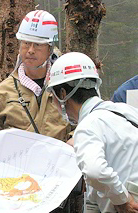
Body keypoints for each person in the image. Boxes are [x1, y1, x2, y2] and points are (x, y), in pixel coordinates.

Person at [0, 10, 74, 212]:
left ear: (50, 47)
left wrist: (74, 140)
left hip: (56, 185)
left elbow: (84, 126)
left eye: (37, 44)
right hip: (16, 187)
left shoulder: (67, 85)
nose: (30, 50)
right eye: (25, 43)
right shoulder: (5, 90)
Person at [46, 51, 138, 213]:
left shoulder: (88, 126)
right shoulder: (126, 111)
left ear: (62, 94)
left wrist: (122, 199)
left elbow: (95, 170)